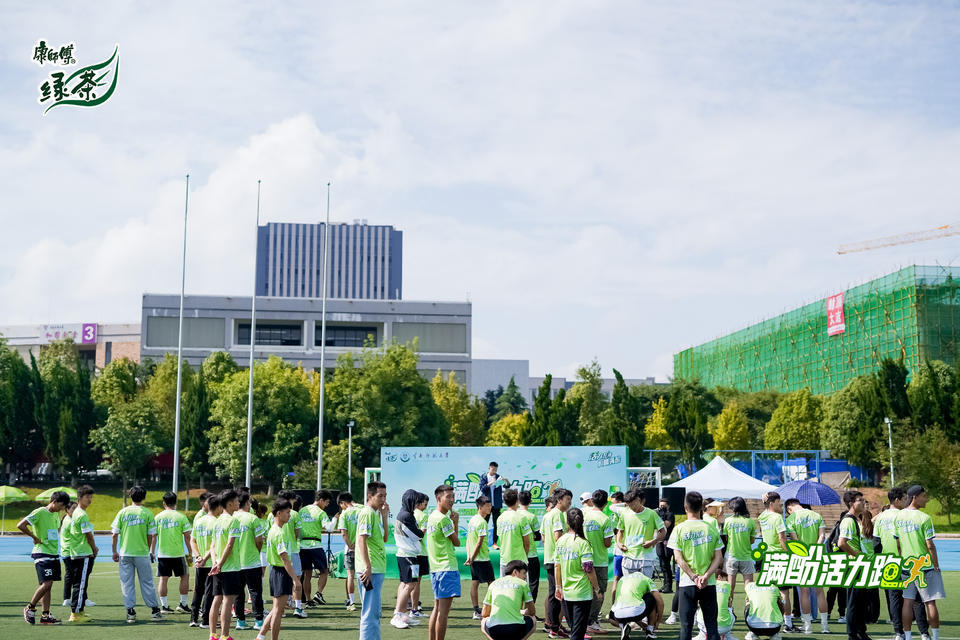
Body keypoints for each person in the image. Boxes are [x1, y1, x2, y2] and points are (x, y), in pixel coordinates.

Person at [873, 487, 929, 640]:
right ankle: (924, 632)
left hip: (888, 563)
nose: (906, 501)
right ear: (897, 500)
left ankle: (899, 632)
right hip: (907, 561)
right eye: (904, 499)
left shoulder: (880, 517)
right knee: (916, 598)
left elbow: (876, 543)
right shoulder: (904, 515)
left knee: (894, 598)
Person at [667, 490, 724, 640]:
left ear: (686, 507)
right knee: (712, 626)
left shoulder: (679, 529)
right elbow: (718, 557)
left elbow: (678, 558)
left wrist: (693, 576)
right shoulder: (711, 528)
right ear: (701, 508)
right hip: (708, 583)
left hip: (687, 582)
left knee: (686, 627)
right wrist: (706, 576)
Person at [896, 485, 944, 640]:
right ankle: (935, 637)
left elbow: (898, 544)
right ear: (915, 497)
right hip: (924, 566)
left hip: (906, 566)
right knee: (930, 602)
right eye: (924, 496)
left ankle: (908, 636)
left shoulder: (899, 516)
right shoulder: (924, 518)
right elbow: (930, 545)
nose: (927, 499)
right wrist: (936, 564)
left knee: (907, 602)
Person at [112, 485, 161, 623]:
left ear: (130, 496)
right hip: (142, 553)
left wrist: (114, 551)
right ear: (144, 497)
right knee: (147, 582)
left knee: (126, 583)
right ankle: (154, 610)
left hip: (125, 553)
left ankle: (130, 611)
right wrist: (148, 549)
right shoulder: (147, 513)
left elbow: (114, 534)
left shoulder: (122, 512)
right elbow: (151, 535)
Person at [19, 490, 70, 625]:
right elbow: (21, 525)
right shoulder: (40, 512)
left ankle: (45, 615)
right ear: (54, 502)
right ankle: (30, 607)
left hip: (53, 554)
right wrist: (34, 537)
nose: (61, 509)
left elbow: (55, 531)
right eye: (61, 506)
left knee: (48, 586)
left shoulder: (55, 515)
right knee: (47, 583)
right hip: (42, 552)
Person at [554, 507, 601, 640]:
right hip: (582, 593)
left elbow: (557, 565)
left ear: (567, 522)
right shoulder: (583, 543)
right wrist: (597, 589)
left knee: (575, 630)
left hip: (567, 592)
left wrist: (558, 586)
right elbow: (588, 569)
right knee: (577, 633)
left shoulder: (560, 541)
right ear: (582, 522)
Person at [255, 498, 298, 640]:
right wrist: (295, 579)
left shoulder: (274, 530)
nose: (289, 515)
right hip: (281, 572)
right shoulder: (278, 533)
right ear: (279, 513)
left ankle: (260, 636)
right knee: (278, 611)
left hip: (276, 571)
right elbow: (284, 558)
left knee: (276, 609)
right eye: (287, 512)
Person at [784, 498, 829, 633]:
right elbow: (822, 537)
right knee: (820, 591)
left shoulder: (790, 519)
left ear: (789, 508)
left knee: (804, 591)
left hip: (801, 557)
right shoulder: (816, 515)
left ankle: (807, 626)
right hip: (817, 555)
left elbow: (795, 540)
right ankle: (824, 626)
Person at [356, 481, 390, 640]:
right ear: (370, 496)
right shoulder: (367, 513)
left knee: (374, 612)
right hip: (370, 570)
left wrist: (384, 517)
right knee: (370, 612)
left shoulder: (375, 514)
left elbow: (385, 538)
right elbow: (361, 540)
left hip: (376, 568)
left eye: (385, 496)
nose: (383, 499)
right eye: (380, 496)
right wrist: (367, 566)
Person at [427, 483, 461, 640]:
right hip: (446, 568)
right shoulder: (443, 520)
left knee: (437, 609)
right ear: (438, 498)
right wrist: (456, 522)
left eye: (453, 496)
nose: (452, 500)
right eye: (448, 497)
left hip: (436, 568)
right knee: (443, 613)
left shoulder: (432, 516)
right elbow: (456, 542)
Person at [837, 490, 872, 640]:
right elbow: (841, 543)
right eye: (860, 500)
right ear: (851, 503)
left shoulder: (856, 519)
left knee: (861, 602)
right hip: (853, 566)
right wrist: (857, 554)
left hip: (859, 565)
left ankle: (861, 631)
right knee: (853, 602)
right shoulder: (848, 521)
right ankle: (853, 634)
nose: (863, 502)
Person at [208, 488, 243, 639]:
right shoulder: (233, 520)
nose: (238, 503)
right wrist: (220, 564)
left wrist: (215, 563)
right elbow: (229, 545)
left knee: (217, 599)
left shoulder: (217, 521)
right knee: (228, 602)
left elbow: (212, 546)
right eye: (236, 501)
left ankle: (212, 635)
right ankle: (225, 635)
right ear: (229, 504)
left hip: (218, 567)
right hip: (230, 567)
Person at [153, 491, 192, 615]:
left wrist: (152, 551)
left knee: (163, 579)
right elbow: (187, 537)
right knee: (185, 576)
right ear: (176, 502)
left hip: (163, 554)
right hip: (178, 553)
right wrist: (191, 552)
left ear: (164, 503)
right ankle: (183, 604)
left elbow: (153, 536)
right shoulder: (181, 517)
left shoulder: (158, 517)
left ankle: (164, 606)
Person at [757, 492, 791, 631]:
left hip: (767, 557)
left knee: (770, 591)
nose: (781, 505)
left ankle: (770, 619)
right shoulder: (777, 517)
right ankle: (788, 623)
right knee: (784, 592)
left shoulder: (762, 517)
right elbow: (782, 538)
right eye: (778, 502)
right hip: (779, 557)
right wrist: (789, 552)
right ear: (771, 503)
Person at [233, 492, 266, 631]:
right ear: (247, 503)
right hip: (251, 562)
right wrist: (256, 551)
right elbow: (259, 540)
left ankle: (240, 621)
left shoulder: (231, 517)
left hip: (235, 563)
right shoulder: (253, 519)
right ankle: (259, 621)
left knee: (238, 594)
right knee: (255, 592)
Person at [393, 489, 426, 629]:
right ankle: (398, 615)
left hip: (406, 554)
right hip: (408, 554)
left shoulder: (404, 513)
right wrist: (421, 531)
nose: (417, 504)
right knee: (410, 585)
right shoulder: (406, 515)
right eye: (416, 501)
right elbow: (418, 535)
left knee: (405, 584)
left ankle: (402, 614)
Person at [482, 560, 538, 640]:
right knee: (533, 619)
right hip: (516, 629)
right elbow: (532, 612)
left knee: (483, 621)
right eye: (524, 573)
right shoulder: (523, 583)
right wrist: (522, 612)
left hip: (495, 630)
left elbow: (484, 613)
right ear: (515, 572)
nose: (525, 577)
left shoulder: (493, 584)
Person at [584, 489, 614, 634]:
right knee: (598, 592)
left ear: (592, 501)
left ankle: (585, 621)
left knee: (586, 592)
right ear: (605, 503)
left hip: (584, 559)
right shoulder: (605, 519)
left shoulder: (584, 516)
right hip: (599, 561)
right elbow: (607, 543)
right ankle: (591, 622)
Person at [618, 488, 666, 580]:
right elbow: (620, 531)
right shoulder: (624, 513)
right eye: (629, 505)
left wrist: (653, 542)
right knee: (630, 586)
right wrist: (619, 544)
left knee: (645, 586)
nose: (631, 507)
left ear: (638, 500)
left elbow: (663, 532)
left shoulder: (651, 514)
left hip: (645, 558)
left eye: (632, 504)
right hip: (628, 557)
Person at [543, 489, 571, 639]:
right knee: (557, 594)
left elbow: (544, 538)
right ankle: (554, 627)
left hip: (550, 557)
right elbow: (558, 537)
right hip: (557, 560)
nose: (570, 503)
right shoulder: (558, 514)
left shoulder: (547, 515)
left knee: (554, 593)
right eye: (568, 500)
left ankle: (554, 625)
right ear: (559, 500)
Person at [67, 485, 98, 622]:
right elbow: (88, 535)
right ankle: (75, 613)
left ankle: (80, 610)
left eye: (91, 497)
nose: (90, 500)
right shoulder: (82, 515)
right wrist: (94, 548)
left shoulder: (77, 512)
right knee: (80, 585)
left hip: (77, 552)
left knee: (80, 583)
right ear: (79, 498)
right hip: (83, 553)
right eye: (87, 497)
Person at [275, 490, 307, 618]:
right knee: (296, 579)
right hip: (292, 550)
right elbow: (297, 533)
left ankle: (280, 610)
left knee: (280, 580)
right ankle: (298, 607)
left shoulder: (273, 515)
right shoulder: (294, 514)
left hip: (277, 552)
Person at [608, 569, 664, 640]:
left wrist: (639, 623)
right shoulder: (646, 579)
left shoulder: (622, 579)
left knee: (610, 618)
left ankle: (622, 626)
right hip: (637, 612)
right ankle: (650, 631)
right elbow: (660, 602)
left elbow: (614, 591)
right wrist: (658, 621)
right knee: (652, 597)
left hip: (618, 615)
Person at [300, 490, 332, 608]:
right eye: (327, 502)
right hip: (315, 545)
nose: (327, 505)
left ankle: (308, 600)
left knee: (307, 575)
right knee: (324, 571)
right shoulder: (321, 513)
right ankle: (318, 593)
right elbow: (329, 528)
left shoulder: (302, 510)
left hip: (302, 545)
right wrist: (334, 519)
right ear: (321, 500)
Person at [722, 497, 756, 606]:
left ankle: (729, 609)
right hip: (746, 557)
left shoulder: (728, 521)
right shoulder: (750, 521)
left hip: (731, 556)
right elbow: (752, 540)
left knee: (730, 587)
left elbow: (726, 538)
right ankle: (749, 608)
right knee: (749, 587)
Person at [191, 494, 219, 628]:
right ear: (218, 507)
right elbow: (213, 546)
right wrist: (204, 559)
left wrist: (198, 556)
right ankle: (206, 620)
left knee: (198, 590)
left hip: (200, 562)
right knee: (209, 592)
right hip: (210, 563)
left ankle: (193, 618)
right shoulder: (216, 523)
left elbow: (193, 541)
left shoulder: (199, 521)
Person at [467, 495, 496, 620]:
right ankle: (491, 609)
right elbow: (478, 543)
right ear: (480, 507)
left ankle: (476, 611)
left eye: (490, 506)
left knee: (475, 583)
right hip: (482, 559)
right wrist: (472, 557)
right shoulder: (482, 522)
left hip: (475, 559)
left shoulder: (473, 520)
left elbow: (468, 540)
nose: (490, 508)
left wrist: (470, 557)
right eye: (487, 506)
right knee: (492, 584)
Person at [497, 489, 532, 575]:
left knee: (505, 584)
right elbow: (527, 543)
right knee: (521, 584)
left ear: (505, 502)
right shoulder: (521, 518)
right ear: (518, 501)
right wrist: (524, 558)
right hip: (519, 562)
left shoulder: (500, 518)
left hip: (505, 560)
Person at [518, 490, 542, 606]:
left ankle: (518, 608)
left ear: (518, 501)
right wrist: (531, 536)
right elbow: (538, 536)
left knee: (517, 583)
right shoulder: (532, 517)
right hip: (531, 554)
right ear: (530, 501)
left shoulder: (514, 515)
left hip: (517, 555)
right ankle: (530, 610)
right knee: (533, 583)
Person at [695, 568, 734, 640]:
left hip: (704, 625)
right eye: (725, 578)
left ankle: (702, 634)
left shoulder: (706, 583)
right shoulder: (727, 585)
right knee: (730, 609)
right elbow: (729, 604)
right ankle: (727, 635)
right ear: (719, 577)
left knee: (700, 608)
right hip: (724, 627)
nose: (726, 580)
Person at [338, 492, 360, 611]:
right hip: (362, 548)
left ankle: (351, 602)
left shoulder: (344, 514)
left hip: (350, 550)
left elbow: (343, 533)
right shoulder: (361, 510)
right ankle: (366, 600)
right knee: (363, 575)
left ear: (343, 503)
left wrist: (350, 545)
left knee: (350, 575)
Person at [479, 462, 509, 546]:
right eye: (493, 469)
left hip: (496, 504)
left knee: (496, 524)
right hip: (486, 504)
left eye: (496, 469)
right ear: (489, 468)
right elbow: (482, 489)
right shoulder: (484, 477)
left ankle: (494, 543)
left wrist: (506, 481)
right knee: (484, 523)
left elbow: (507, 486)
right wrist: (490, 483)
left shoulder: (498, 477)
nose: (494, 471)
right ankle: (482, 542)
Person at [413, 492, 430, 617]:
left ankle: (412, 605)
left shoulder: (409, 514)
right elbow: (421, 535)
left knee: (409, 582)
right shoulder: (423, 516)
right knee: (416, 582)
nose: (426, 506)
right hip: (420, 552)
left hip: (409, 551)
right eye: (425, 504)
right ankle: (415, 608)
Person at [60, 502, 79, 612]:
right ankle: (80, 598)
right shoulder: (70, 521)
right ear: (67, 510)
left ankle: (67, 598)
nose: (75, 510)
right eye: (73, 508)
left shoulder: (66, 519)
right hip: (70, 551)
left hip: (66, 551)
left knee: (70, 575)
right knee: (76, 576)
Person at [609, 492, 627, 603]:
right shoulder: (615, 513)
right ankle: (614, 606)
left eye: (614, 502)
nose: (612, 505)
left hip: (628, 552)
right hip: (619, 551)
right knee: (617, 579)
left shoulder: (628, 512)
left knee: (628, 580)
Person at [656, 498, 675, 594]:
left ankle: (669, 586)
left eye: (664, 505)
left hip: (667, 542)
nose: (661, 507)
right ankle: (665, 584)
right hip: (659, 541)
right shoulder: (658, 515)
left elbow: (665, 526)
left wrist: (662, 516)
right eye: (660, 505)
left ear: (668, 506)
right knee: (662, 564)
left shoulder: (670, 515)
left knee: (666, 564)